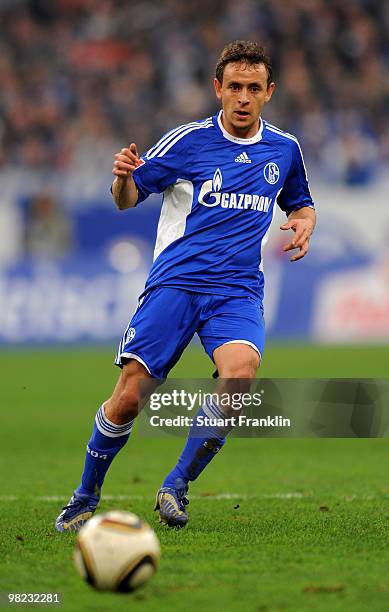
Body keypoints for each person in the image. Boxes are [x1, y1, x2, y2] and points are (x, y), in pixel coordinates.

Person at [56, 40, 315, 531]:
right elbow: (127, 199)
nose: (242, 97)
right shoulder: (186, 142)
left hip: (237, 291)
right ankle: (85, 495)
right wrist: (122, 179)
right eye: (234, 87)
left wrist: (306, 221)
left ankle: (175, 485)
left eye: (253, 88)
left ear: (269, 93)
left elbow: (300, 201)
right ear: (218, 89)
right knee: (131, 396)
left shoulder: (284, 150)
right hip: (175, 284)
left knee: (239, 377)